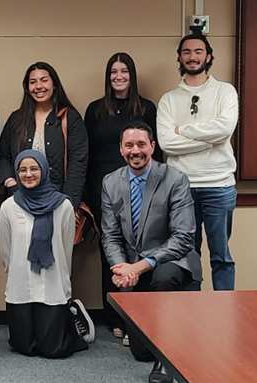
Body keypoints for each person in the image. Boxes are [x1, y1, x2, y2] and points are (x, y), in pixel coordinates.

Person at [101, 121, 202, 383]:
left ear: (153, 147)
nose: (136, 150)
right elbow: (110, 235)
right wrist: (121, 267)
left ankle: (165, 363)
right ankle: (171, 343)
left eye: (142, 144)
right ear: (121, 150)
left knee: (164, 278)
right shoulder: (110, 182)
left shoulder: (175, 179)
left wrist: (141, 265)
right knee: (140, 351)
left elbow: (183, 238)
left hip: (173, 261)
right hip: (134, 266)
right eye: (129, 145)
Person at [84, 52, 163, 344]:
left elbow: (157, 152)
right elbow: (86, 153)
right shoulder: (95, 110)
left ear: (132, 75)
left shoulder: (146, 108)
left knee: (141, 248)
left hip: (141, 185)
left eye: (124, 72)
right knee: (111, 247)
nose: (119, 77)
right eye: (114, 72)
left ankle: (139, 315)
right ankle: (115, 315)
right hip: (102, 188)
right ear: (108, 77)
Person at [157, 34, 239, 291]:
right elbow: (166, 143)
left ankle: (224, 311)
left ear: (209, 56)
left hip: (219, 186)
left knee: (221, 256)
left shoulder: (225, 91)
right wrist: (209, 141)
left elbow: (225, 129)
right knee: (187, 256)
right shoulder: (169, 99)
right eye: (187, 52)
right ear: (180, 58)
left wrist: (183, 130)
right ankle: (191, 314)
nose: (193, 57)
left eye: (198, 51)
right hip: (181, 187)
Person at [0, 149, 93, 359]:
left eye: (34, 168)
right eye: (22, 170)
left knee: (54, 350)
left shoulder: (63, 205)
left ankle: (72, 319)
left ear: (44, 170)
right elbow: (6, 247)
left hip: (52, 282)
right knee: (24, 347)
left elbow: (67, 246)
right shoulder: (8, 207)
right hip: (21, 283)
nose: (28, 174)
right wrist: (12, 268)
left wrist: (65, 279)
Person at [0, 61, 88, 209]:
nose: (39, 86)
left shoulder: (70, 118)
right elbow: (3, 155)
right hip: (20, 199)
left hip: (58, 199)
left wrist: (68, 203)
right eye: (33, 82)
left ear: (54, 84)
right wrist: (10, 183)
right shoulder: (16, 119)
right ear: (27, 88)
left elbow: (78, 163)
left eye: (44, 80)